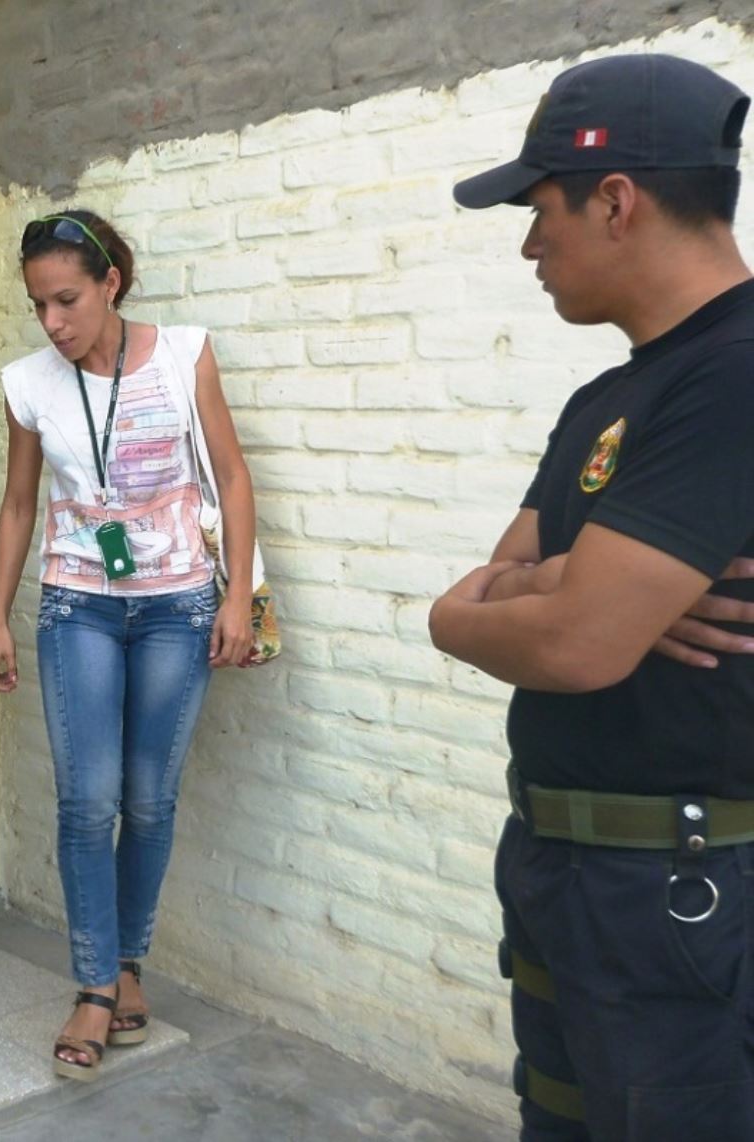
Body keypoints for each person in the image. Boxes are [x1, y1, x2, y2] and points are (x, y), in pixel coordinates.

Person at [431, 54, 754, 1140]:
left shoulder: (738, 372)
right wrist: (581, 580)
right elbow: (457, 603)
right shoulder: (607, 398)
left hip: (679, 888)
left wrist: (561, 596)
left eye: (539, 210)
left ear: (615, 199)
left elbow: (573, 647)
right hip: (567, 872)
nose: (529, 245)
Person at [0, 208, 258, 1081]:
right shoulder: (28, 383)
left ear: (111, 283)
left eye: (67, 299)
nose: (53, 322)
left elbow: (233, 470)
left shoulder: (184, 355)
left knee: (149, 800)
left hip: (178, 604)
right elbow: (21, 502)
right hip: (78, 608)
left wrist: (239, 598)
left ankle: (129, 964)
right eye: (38, 306)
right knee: (86, 802)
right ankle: (95, 987)